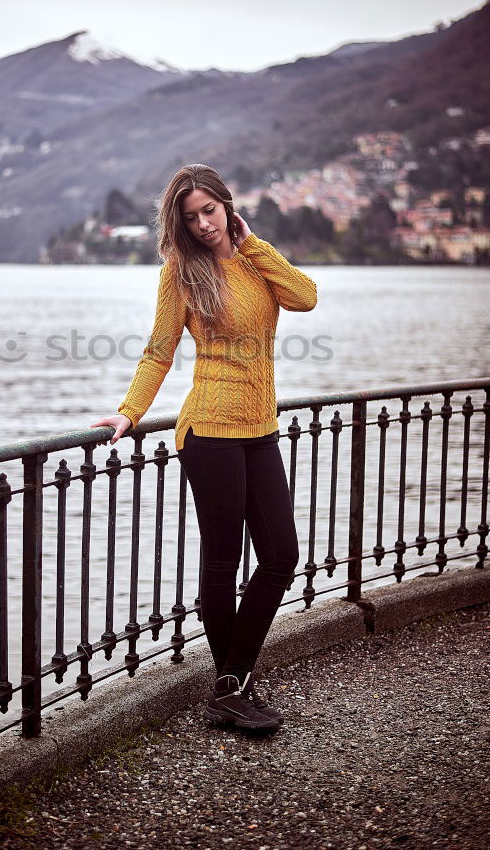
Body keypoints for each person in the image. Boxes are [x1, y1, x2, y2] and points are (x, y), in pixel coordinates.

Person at [91, 163, 318, 731]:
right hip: (209, 430)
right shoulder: (179, 273)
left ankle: (232, 680)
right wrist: (130, 412)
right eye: (191, 218)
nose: (203, 225)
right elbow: (159, 351)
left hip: (259, 428)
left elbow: (305, 297)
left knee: (281, 557)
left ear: (226, 206)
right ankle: (232, 686)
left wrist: (252, 243)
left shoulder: (253, 260)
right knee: (222, 561)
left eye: (209, 211)